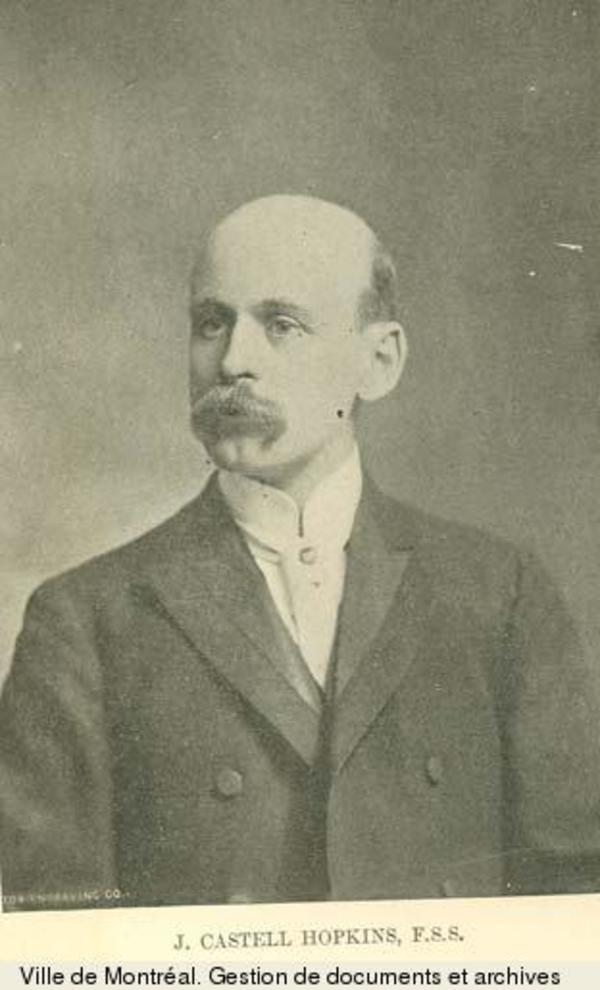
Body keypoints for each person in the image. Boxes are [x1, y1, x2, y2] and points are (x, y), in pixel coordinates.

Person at [1, 194, 599, 912]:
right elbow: (56, 937)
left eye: (281, 325)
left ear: (379, 362)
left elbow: (575, 912)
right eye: (211, 323)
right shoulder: (85, 622)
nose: (232, 361)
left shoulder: (500, 595)